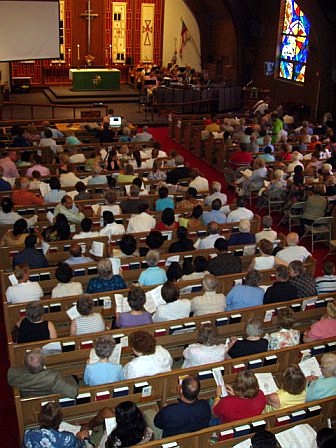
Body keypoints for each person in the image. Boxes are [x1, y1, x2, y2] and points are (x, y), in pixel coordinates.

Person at [7, 348, 79, 398]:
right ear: (43, 364)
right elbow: (74, 393)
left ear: (24, 364)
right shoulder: (53, 377)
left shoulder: (12, 374)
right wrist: (71, 378)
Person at [82, 401, 153, 447]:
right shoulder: (147, 431)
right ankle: (87, 426)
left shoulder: (114, 440)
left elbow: (107, 444)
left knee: (106, 412)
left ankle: (86, 428)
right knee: (106, 412)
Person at [22, 402, 87, 448]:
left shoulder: (28, 434)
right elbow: (81, 446)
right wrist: (80, 438)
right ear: (59, 421)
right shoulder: (68, 439)